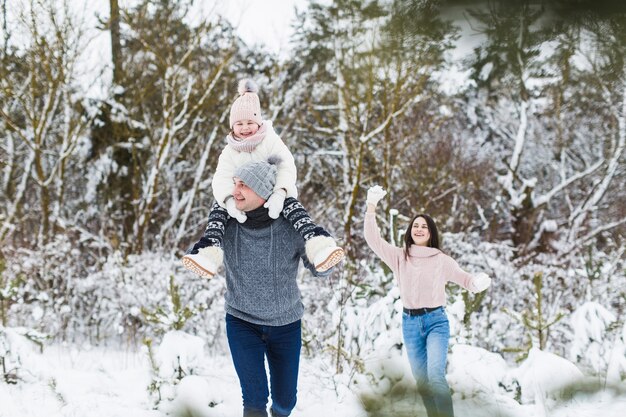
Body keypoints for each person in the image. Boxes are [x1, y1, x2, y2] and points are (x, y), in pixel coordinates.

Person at [182, 79, 343, 277]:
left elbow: (286, 166)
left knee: (294, 208)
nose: (245, 128)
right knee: (218, 209)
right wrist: (229, 201)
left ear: (258, 122)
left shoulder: (270, 140)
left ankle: (318, 244)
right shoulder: (229, 150)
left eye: (250, 122)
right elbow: (221, 178)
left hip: (273, 194)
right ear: (232, 126)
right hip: (239, 198)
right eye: (239, 123)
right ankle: (207, 251)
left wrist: (280, 192)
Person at [218, 157, 333, 417]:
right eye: (235, 183)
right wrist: (200, 257)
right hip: (241, 321)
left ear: (262, 190)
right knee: (255, 401)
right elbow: (207, 246)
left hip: (286, 324)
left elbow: (317, 265)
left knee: (285, 403)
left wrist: (324, 257)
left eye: (243, 185)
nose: (235, 190)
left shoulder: (291, 226)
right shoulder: (228, 222)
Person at [363, 185, 491, 417]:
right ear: (410, 231)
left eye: (424, 226)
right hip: (410, 323)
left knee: (435, 376)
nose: (419, 229)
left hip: (436, 322)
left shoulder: (441, 260)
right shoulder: (400, 256)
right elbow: (374, 241)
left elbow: (464, 278)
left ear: (431, 233)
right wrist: (371, 206)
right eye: (416, 226)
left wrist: (477, 283)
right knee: (422, 381)